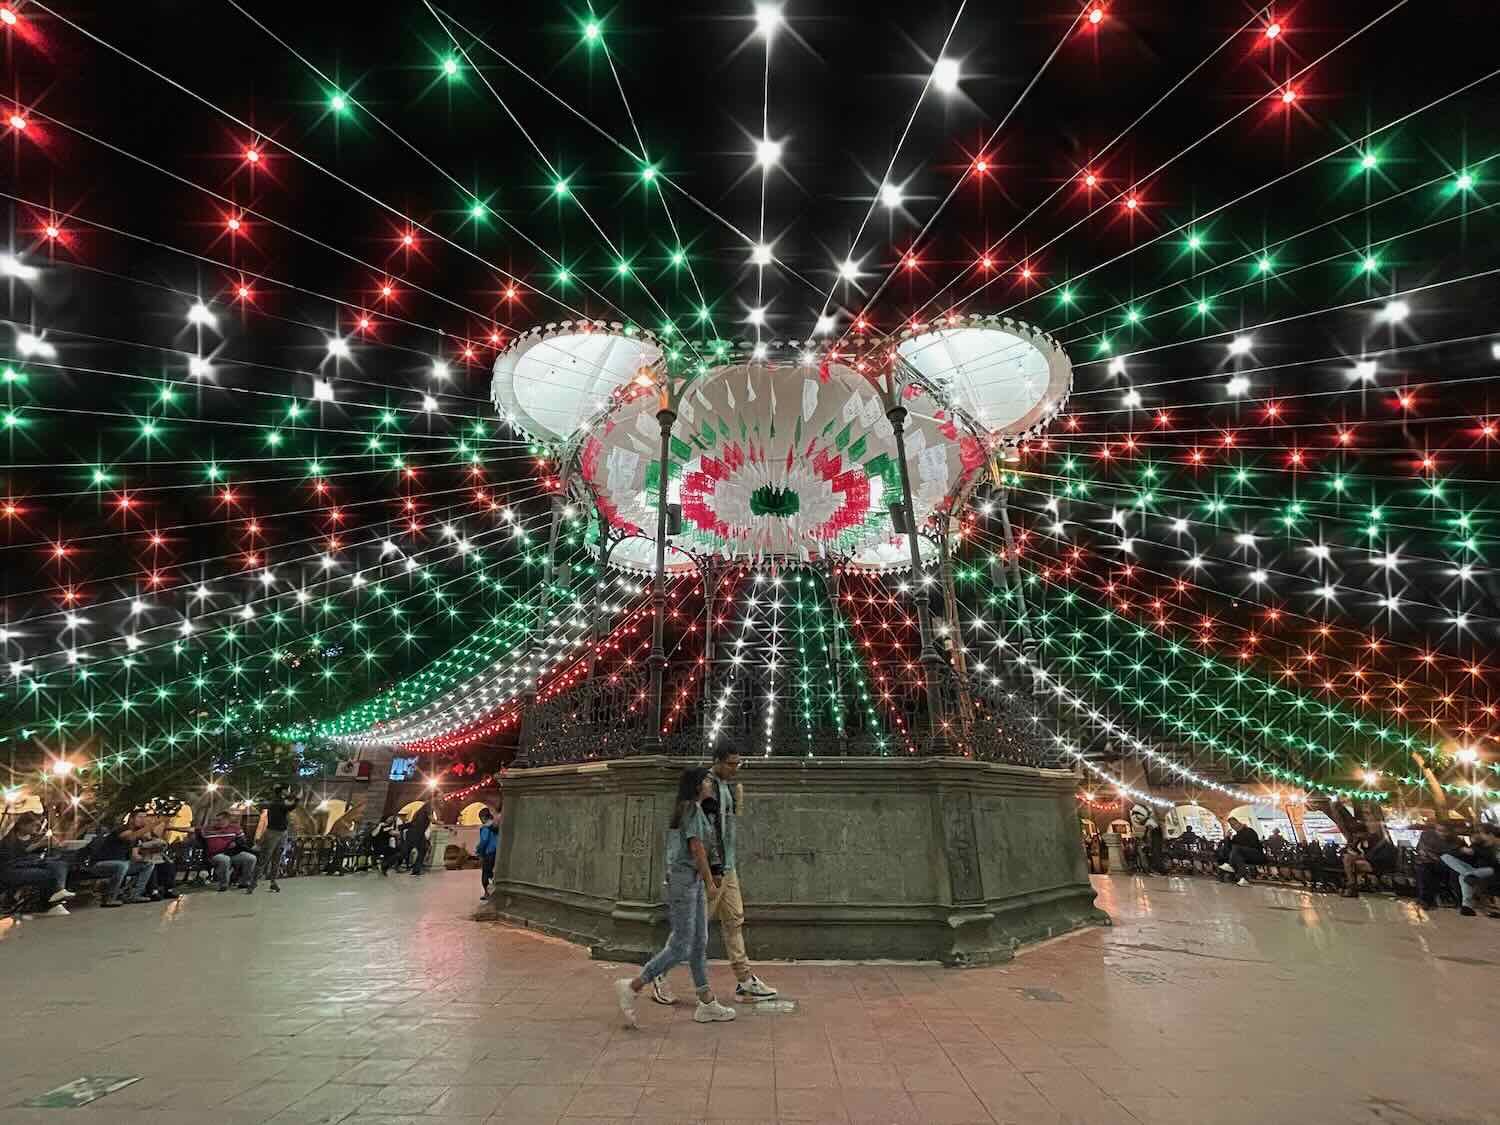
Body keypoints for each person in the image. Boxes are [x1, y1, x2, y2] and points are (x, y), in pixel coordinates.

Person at [650, 746, 777, 1007]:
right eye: (731, 764)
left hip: (727, 867)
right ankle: (658, 974)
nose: (735, 769)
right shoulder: (704, 787)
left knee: (734, 920)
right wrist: (709, 876)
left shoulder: (726, 785)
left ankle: (744, 979)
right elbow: (701, 836)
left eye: (738, 764)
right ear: (716, 762)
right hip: (707, 870)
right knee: (689, 932)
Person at [614, 768, 736, 1028]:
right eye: (705, 780)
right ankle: (634, 985)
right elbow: (697, 849)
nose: (709, 783)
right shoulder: (690, 809)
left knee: (699, 941)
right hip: (683, 884)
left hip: (690, 881)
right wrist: (709, 882)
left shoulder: (696, 809)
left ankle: (706, 1002)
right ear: (695, 785)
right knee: (681, 945)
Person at [0, 812, 74, 915]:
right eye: (32, 825)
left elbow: (44, 852)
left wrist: (53, 845)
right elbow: (12, 859)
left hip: (33, 862)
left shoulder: (35, 837)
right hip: (13, 868)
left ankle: (58, 892)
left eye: (36, 825)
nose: (35, 828)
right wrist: (37, 846)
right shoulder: (9, 839)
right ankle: (50, 903)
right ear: (21, 825)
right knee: (46, 874)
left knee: (60, 864)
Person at [91, 810, 159, 906]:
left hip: (122, 865)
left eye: (145, 817)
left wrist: (149, 853)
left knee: (148, 864)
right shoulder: (122, 829)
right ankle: (110, 898)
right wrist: (151, 825)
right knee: (122, 865)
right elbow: (130, 837)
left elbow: (135, 856)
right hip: (100, 864)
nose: (143, 820)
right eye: (140, 817)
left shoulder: (136, 836)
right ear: (131, 819)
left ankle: (134, 895)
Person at [1441, 822, 1500, 918]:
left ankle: (1467, 906)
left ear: (1490, 834)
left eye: (1481, 834)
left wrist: (1476, 851)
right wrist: (1462, 850)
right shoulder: (1479, 844)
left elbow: (1494, 862)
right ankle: (1468, 874)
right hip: (1476, 870)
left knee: (1463, 876)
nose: (1479, 836)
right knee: (1445, 856)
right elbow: (1466, 856)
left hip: (1491, 870)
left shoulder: (1495, 846)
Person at [251, 784, 300, 893]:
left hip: (281, 833)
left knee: (276, 858)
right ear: (282, 791)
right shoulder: (277, 803)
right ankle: (253, 882)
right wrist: (296, 799)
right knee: (265, 858)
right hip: (273, 833)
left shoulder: (278, 802)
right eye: (287, 790)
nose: (288, 792)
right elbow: (290, 807)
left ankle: (272, 882)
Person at [199, 810, 257, 892]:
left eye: (219, 820)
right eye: (216, 820)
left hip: (232, 854)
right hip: (215, 855)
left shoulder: (235, 829)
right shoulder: (207, 830)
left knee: (250, 858)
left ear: (227, 820)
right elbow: (192, 829)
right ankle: (223, 884)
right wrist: (174, 828)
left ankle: (244, 882)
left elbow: (243, 842)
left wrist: (236, 843)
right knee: (224, 859)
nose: (217, 822)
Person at [1339, 822, 1396, 898]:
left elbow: (1376, 856)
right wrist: (1354, 844)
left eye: (1356, 834)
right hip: (1369, 862)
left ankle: (1351, 884)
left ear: (1362, 833)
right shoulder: (1361, 841)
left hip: (1378, 864)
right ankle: (1352, 883)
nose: (1355, 836)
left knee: (1348, 860)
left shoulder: (1376, 840)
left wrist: (1361, 857)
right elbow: (1346, 850)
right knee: (1348, 859)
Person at [1415, 821, 1458, 908]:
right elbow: (1421, 848)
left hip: (1443, 863)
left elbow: (1452, 854)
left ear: (1450, 831)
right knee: (1424, 869)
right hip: (1427, 861)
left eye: (1444, 831)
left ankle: (1437, 898)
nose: (1440, 833)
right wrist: (1426, 853)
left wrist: (1433, 855)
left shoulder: (1455, 840)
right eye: (1438, 830)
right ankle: (1425, 900)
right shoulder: (1427, 835)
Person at [1216, 816, 1264, 887]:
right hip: (1240, 855)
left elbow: (1253, 844)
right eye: (1232, 825)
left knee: (1236, 852)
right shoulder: (1236, 836)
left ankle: (1235, 872)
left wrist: (1241, 849)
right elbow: (1229, 847)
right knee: (1226, 853)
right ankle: (1237, 877)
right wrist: (1228, 837)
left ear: (1239, 823)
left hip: (1254, 853)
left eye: (1234, 824)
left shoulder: (1249, 831)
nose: (1234, 826)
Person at [405, 802, 433, 877]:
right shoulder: (429, 806)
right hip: (417, 832)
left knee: (421, 849)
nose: (441, 799)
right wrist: (440, 822)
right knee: (422, 850)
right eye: (439, 797)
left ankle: (416, 870)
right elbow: (432, 820)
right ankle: (386, 863)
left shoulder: (421, 809)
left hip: (415, 832)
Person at [477, 807, 498, 901]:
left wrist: (479, 852)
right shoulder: (497, 825)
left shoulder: (485, 827)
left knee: (486, 874)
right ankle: (495, 892)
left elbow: (484, 841)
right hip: (497, 853)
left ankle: (487, 893)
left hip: (488, 853)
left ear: (483, 817)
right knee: (494, 874)